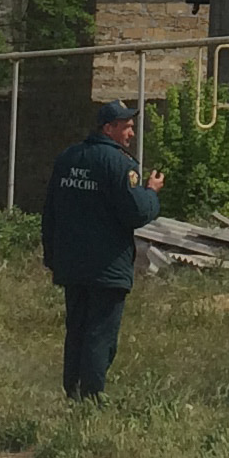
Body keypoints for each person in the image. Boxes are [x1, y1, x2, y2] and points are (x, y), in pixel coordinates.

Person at [41, 100, 162, 401]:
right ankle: (92, 399)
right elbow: (136, 213)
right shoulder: (120, 165)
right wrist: (151, 192)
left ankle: (73, 392)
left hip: (71, 265)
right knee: (100, 335)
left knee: (77, 330)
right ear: (109, 128)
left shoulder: (67, 159)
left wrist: (53, 257)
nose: (132, 133)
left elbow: (50, 213)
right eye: (127, 126)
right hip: (106, 267)